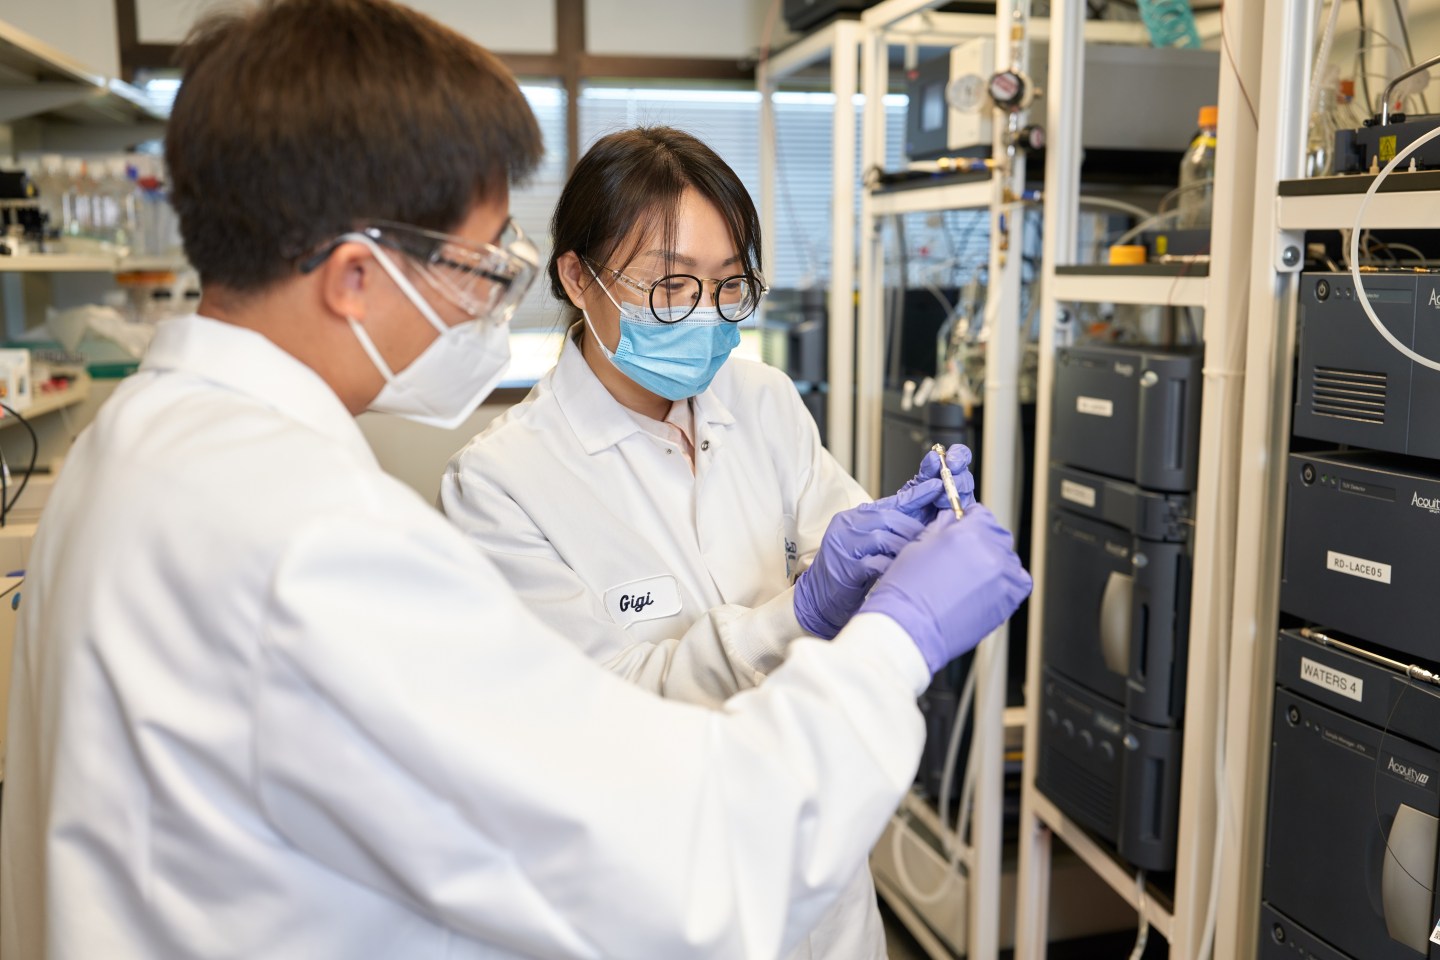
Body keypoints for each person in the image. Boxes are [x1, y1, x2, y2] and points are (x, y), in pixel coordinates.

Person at [0, 2, 1031, 958]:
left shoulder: (132, 444)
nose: (498, 300)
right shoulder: (315, 542)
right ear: (355, 275)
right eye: (484, 262)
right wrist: (895, 638)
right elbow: (684, 855)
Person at [439, 127, 1000, 959]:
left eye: (729, 284)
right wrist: (800, 612)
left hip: (822, 883)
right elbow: (601, 713)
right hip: (660, 892)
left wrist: (911, 541)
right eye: (671, 285)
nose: (704, 313)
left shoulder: (762, 399)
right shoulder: (501, 483)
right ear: (577, 277)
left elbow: (843, 547)